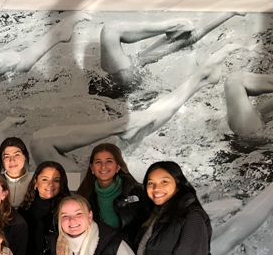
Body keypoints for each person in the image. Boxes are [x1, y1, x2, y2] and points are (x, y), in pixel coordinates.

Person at [31, 45, 239, 167]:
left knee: (40, 142)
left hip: (82, 190)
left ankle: (200, 78)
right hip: (89, 196)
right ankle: (200, 78)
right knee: (135, 131)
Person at [98, 14, 237, 95]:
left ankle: (230, 12)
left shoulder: (137, 63)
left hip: (124, 86)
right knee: (111, 31)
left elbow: (186, 40)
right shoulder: (132, 67)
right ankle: (172, 27)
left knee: (140, 56)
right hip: (120, 82)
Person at [76, 143, 149, 248]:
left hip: (131, 254)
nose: (103, 166)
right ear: (92, 167)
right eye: (98, 162)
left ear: (118, 166)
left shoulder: (138, 192)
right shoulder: (83, 196)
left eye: (109, 161)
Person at [18, 161, 71, 255]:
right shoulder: (23, 211)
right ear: (35, 183)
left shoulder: (68, 211)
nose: (50, 184)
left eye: (56, 180)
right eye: (45, 179)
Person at [0, 137, 32, 207]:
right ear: (1, 161)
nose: (12, 160)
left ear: (25, 157)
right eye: (6, 157)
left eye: (17, 155)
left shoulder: (35, 184)